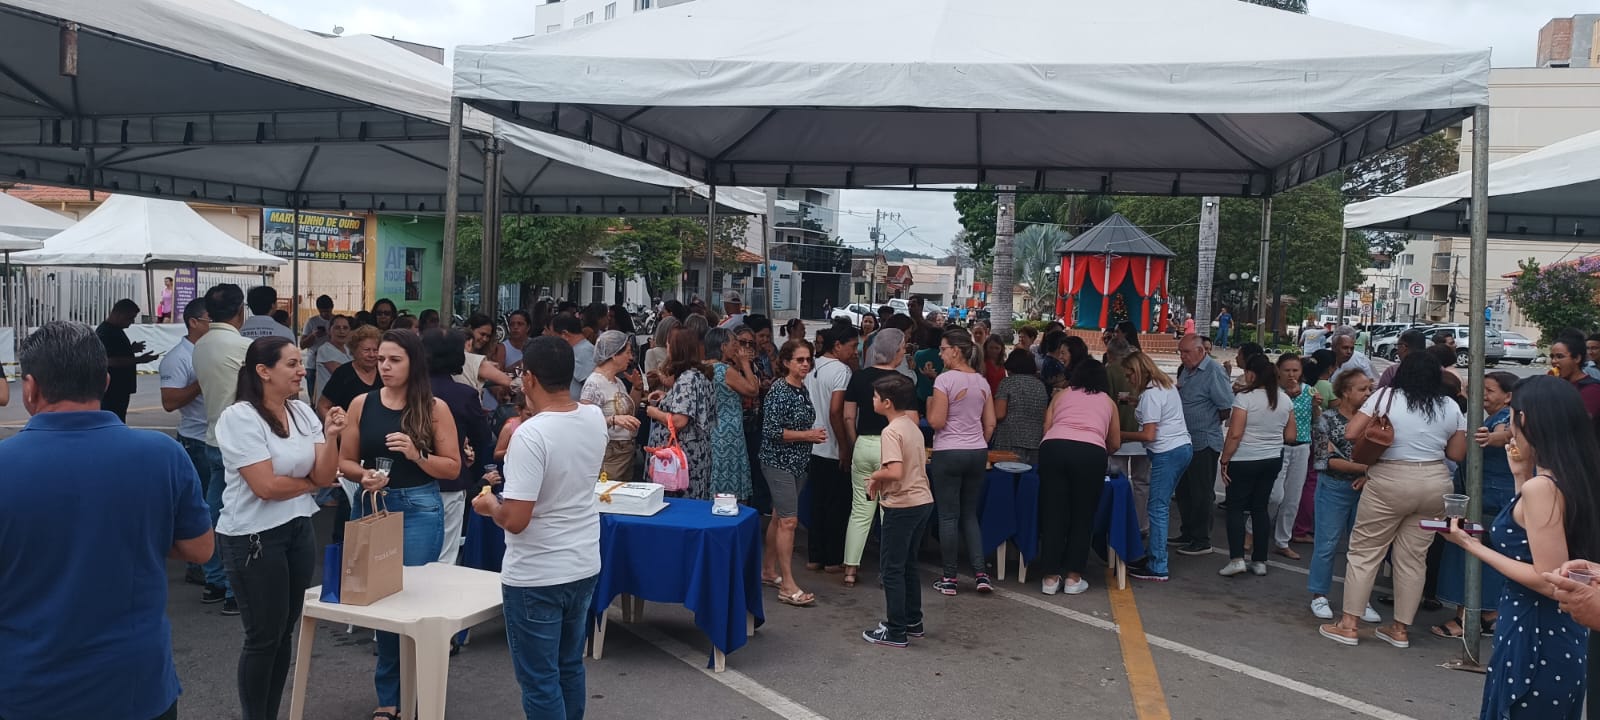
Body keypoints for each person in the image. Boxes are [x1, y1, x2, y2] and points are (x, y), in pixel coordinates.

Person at [0, 321, 213, 720]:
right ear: (106, 381)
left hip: (25, 689)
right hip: (136, 686)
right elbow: (200, 549)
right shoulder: (162, 455)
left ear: (29, 388)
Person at [1441, 377, 1599, 718]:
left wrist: (1470, 543)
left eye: (1511, 418)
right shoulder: (1574, 477)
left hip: (1536, 631)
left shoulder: (1543, 488)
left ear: (1524, 420)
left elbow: (1549, 578)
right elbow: (1538, 538)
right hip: (1558, 630)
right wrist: (1520, 475)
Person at [471, 336, 605, 719]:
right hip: (581, 562)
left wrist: (489, 506)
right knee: (568, 668)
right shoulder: (593, 417)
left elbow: (515, 519)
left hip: (537, 573)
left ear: (528, 378)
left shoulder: (529, 434)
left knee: (540, 681)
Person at [216, 336, 344, 720]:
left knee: (285, 630)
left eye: (299, 363)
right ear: (263, 371)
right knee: (262, 637)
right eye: (291, 364)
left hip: (297, 528)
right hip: (253, 537)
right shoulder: (239, 417)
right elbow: (266, 486)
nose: (301, 370)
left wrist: (333, 436)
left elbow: (324, 472)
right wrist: (310, 485)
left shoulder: (303, 412)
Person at [339, 330, 462, 719]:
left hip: (419, 505)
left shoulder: (434, 407)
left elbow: (453, 466)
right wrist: (364, 476)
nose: (386, 367)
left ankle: (419, 686)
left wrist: (416, 453)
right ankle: (389, 696)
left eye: (394, 360)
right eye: (381, 360)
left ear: (414, 363)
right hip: (373, 504)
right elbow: (345, 460)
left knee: (413, 599)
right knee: (380, 600)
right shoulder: (362, 403)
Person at [1319, 350, 1465, 648]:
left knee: (1365, 552)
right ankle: (1399, 630)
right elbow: (1456, 454)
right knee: (1413, 559)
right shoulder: (1449, 405)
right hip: (1435, 481)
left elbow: (1351, 432)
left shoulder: (1385, 397)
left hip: (1390, 478)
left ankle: (1349, 624)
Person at [1433, 371, 1518, 639]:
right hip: (1492, 498)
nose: (1483, 395)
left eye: (1490, 390)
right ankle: (1489, 615)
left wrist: (1489, 438)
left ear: (1508, 396)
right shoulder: (1498, 416)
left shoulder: (1507, 419)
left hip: (1490, 501)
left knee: (1471, 554)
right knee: (1491, 556)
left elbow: (1503, 435)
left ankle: (1465, 616)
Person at [861, 373, 936, 647]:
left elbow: (894, 470)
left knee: (891, 569)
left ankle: (895, 630)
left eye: (875, 397)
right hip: (922, 501)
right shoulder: (912, 425)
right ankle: (912, 621)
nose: (873, 400)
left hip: (902, 504)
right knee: (908, 565)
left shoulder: (891, 431)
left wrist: (875, 477)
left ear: (887, 403)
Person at [1037, 358, 1121, 595]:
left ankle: (1050, 578)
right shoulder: (1108, 402)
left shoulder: (1061, 395)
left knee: (1053, 512)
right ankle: (1074, 578)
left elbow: (1047, 427)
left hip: (1053, 449)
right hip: (1090, 454)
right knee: (1083, 515)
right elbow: (1114, 442)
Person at [194, 284, 255, 613]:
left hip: (212, 436)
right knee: (238, 516)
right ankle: (234, 589)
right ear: (240, 310)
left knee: (216, 510)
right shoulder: (244, 346)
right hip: (240, 441)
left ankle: (214, 579)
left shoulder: (201, 345)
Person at [1306, 369, 1381, 624]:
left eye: (1369, 389)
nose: (1368, 393)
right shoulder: (1326, 419)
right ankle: (1319, 594)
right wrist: (1367, 470)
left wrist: (1369, 474)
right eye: (1362, 389)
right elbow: (1324, 461)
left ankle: (1360, 599)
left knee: (1364, 549)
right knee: (1326, 544)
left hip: (1366, 489)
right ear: (1345, 392)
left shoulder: (1375, 420)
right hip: (1334, 488)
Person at [928, 327, 997, 595]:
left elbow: (936, 421)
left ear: (956, 351)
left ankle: (949, 578)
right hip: (976, 451)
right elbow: (989, 423)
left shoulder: (944, 380)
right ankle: (981, 574)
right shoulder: (982, 382)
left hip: (948, 451)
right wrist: (977, 439)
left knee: (948, 516)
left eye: (943, 349)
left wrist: (931, 405)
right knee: (969, 514)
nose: (940, 353)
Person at [841, 328, 912, 587]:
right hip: (890, 449)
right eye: (903, 347)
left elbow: (848, 416)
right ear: (895, 351)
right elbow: (911, 422)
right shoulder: (903, 383)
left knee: (860, 510)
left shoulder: (859, 378)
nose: (905, 351)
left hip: (863, 445)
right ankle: (887, 572)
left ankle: (850, 570)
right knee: (888, 512)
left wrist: (853, 442)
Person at [761, 339, 826, 607]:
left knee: (780, 517)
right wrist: (807, 435)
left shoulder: (801, 389)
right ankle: (787, 585)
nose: (805, 364)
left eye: (808, 359)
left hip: (797, 461)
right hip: (779, 462)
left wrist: (806, 438)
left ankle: (768, 570)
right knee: (789, 521)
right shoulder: (779, 391)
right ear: (786, 362)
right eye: (799, 359)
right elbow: (771, 431)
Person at [423, 329, 495, 565]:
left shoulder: (406, 392)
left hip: (411, 478)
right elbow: (483, 436)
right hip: (451, 478)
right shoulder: (464, 394)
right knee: (446, 550)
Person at [1120, 351, 1193, 582]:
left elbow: (1149, 434)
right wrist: (1134, 401)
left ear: (1139, 371)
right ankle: (1154, 556)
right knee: (1158, 506)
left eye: (1129, 374)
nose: (1128, 379)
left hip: (1166, 452)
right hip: (1181, 448)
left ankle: (1157, 565)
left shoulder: (1151, 395)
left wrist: (1119, 434)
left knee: (1157, 508)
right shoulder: (1164, 386)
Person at [1219, 354, 1295, 577]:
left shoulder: (1245, 398)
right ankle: (1260, 561)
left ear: (1252, 374)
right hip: (1272, 459)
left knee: (1235, 508)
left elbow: (1235, 434)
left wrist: (1224, 460)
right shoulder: (1284, 400)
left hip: (1244, 459)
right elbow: (1291, 435)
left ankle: (1236, 559)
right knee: (1260, 508)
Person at [159, 298, 211, 588]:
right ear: (193, 322)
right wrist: (202, 381)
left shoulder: (211, 351)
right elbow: (169, 401)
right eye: (208, 320)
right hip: (195, 438)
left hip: (216, 436)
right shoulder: (178, 357)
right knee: (199, 502)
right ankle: (198, 564)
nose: (213, 326)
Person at [1173, 334, 1233, 556]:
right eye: (1180, 352)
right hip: (1185, 439)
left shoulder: (1213, 372)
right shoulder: (1187, 371)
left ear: (1201, 351)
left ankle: (1201, 538)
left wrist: (1208, 422)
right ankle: (1188, 531)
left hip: (1204, 440)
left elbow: (1226, 406)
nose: (1183, 356)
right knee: (1184, 490)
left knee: (1201, 491)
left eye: (1186, 352)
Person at [803, 325, 858, 573]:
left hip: (812, 443)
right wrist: (844, 446)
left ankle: (815, 555)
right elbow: (836, 410)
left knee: (817, 502)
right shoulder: (841, 371)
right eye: (852, 346)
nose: (855, 352)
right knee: (837, 505)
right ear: (837, 346)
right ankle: (833, 558)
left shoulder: (811, 366)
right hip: (832, 444)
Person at [645, 327, 714, 499]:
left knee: (677, 507)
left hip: (679, 459)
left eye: (668, 345)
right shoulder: (698, 375)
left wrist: (654, 412)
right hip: (693, 452)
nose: (667, 349)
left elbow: (679, 421)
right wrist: (667, 398)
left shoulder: (687, 379)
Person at [1263, 353, 1317, 561]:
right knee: (1274, 495)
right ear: (1278, 370)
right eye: (1287, 370)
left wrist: (1315, 406)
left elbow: (1317, 421)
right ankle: (1254, 530)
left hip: (1302, 447)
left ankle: (1282, 541)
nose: (1291, 375)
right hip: (1277, 447)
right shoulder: (1273, 393)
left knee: (1292, 498)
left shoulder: (1309, 391)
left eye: (1295, 370)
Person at [581, 331, 644, 483]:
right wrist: (613, 420)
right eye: (627, 352)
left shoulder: (617, 381)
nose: (631, 357)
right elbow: (585, 422)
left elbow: (630, 411)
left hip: (626, 452)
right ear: (614, 355)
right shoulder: (594, 384)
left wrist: (636, 388)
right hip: (610, 454)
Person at [706, 326, 757, 500]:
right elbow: (752, 390)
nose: (737, 348)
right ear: (722, 347)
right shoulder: (724, 370)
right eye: (734, 343)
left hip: (711, 429)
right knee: (728, 477)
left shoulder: (703, 367)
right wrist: (745, 364)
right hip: (729, 432)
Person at [96, 298, 156, 421]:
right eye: (130, 318)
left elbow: (115, 352)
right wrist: (139, 360)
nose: (132, 322)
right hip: (112, 390)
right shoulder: (106, 333)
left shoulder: (115, 331)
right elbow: (108, 360)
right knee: (114, 418)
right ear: (119, 315)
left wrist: (131, 349)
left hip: (120, 388)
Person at [992, 347, 1048, 463]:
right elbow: (1044, 416)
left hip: (1009, 441)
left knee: (1006, 478)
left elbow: (999, 414)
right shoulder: (1040, 386)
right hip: (1035, 442)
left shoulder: (1007, 383)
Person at [317, 325, 382, 419]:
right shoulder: (343, 374)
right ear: (354, 351)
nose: (372, 355)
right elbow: (322, 406)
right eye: (366, 350)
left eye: (375, 350)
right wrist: (336, 428)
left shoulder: (383, 372)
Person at [1550, 329, 1600, 421]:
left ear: (1577, 358)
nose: (1553, 361)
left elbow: (1578, 423)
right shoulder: (1556, 385)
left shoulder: (1592, 389)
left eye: (1560, 356)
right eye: (1552, 357)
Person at [308, 315, 352, 406]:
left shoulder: (348, 349)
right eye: (337, 328)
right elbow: (343, 374)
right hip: (328, 404)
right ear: (329, 331)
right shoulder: (325, 349)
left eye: (345, 328)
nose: (341, 331)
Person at [552, 314, 595, 402]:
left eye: (553, 336)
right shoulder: (576, 350)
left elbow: (592, 387)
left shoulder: (584, 352)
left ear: (564, 334)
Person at [504, 309, 533, 375]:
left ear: (528, 327)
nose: (515, 327)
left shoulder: (535, 345)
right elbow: (498, 373)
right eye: (512, 324)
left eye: (520, 324)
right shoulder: (502, 348)